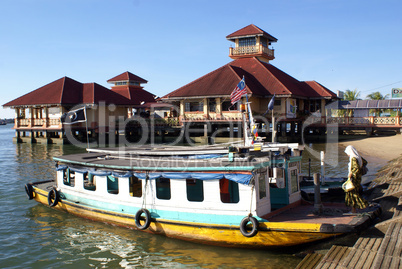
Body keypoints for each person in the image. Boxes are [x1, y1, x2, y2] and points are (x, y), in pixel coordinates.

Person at [344, 145, 369, 213]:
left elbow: (355, 168)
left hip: (354, 179)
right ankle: (354, 209)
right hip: (358, 178)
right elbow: (365, 162)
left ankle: (360, 206)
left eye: (347, 153)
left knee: (352, 194)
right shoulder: (358, 157)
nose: (348, 155)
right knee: (355, 193)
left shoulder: (353, 158)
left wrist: (350, 175)